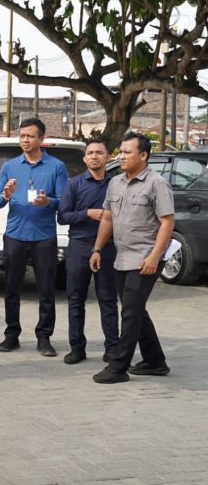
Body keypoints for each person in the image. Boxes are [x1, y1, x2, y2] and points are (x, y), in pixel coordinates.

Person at [90, 132, 174, 384]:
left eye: (127, 152)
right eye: (121, 152)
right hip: (121, 257)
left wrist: (154, 257)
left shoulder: (156, 183)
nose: (121, 156)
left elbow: (167, 222)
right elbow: (107, 218)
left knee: (129, 312)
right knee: (135, 310)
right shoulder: (115, 183)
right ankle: (155, 361)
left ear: (143, 155)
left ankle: (118, 367)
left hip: (145, 259)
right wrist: (97, 249)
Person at [0, 117, 68, 357]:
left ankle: (44, 337)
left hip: (44, 236)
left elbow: (64, 202)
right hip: (15, 234)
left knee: (46, 289)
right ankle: (11, 334)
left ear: (41, 139)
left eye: (30, 136)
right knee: (11, 287)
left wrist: (49, 202)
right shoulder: (9, 166)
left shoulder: (56, 166)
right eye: (22, 136)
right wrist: (5, 194)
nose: (25, 140)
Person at [57, 140, 119, 364]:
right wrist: (87, 213)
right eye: (90, 153)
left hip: (109, 247)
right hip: (79, 244)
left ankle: (112, 348)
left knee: (108, 299)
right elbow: (62, 216)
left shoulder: (116, 184)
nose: (94, 156)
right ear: (84, 158)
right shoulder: (74, 184)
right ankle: (77, 347)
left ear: (108, 156)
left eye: (99, 153)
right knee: (75, 298)